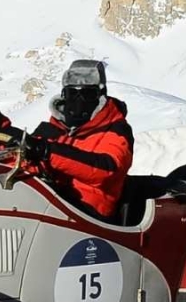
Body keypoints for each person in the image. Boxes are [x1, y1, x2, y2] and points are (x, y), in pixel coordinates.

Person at [24, 59, 133, 219]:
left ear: (100, 96)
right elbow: (28, 162)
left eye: (87, 94)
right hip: (51, 203)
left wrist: (48, 152)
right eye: (72, 93)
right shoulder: (52, 129)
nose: (78, 100)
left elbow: (106, 170)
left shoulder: (116, 129)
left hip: (90, 216)